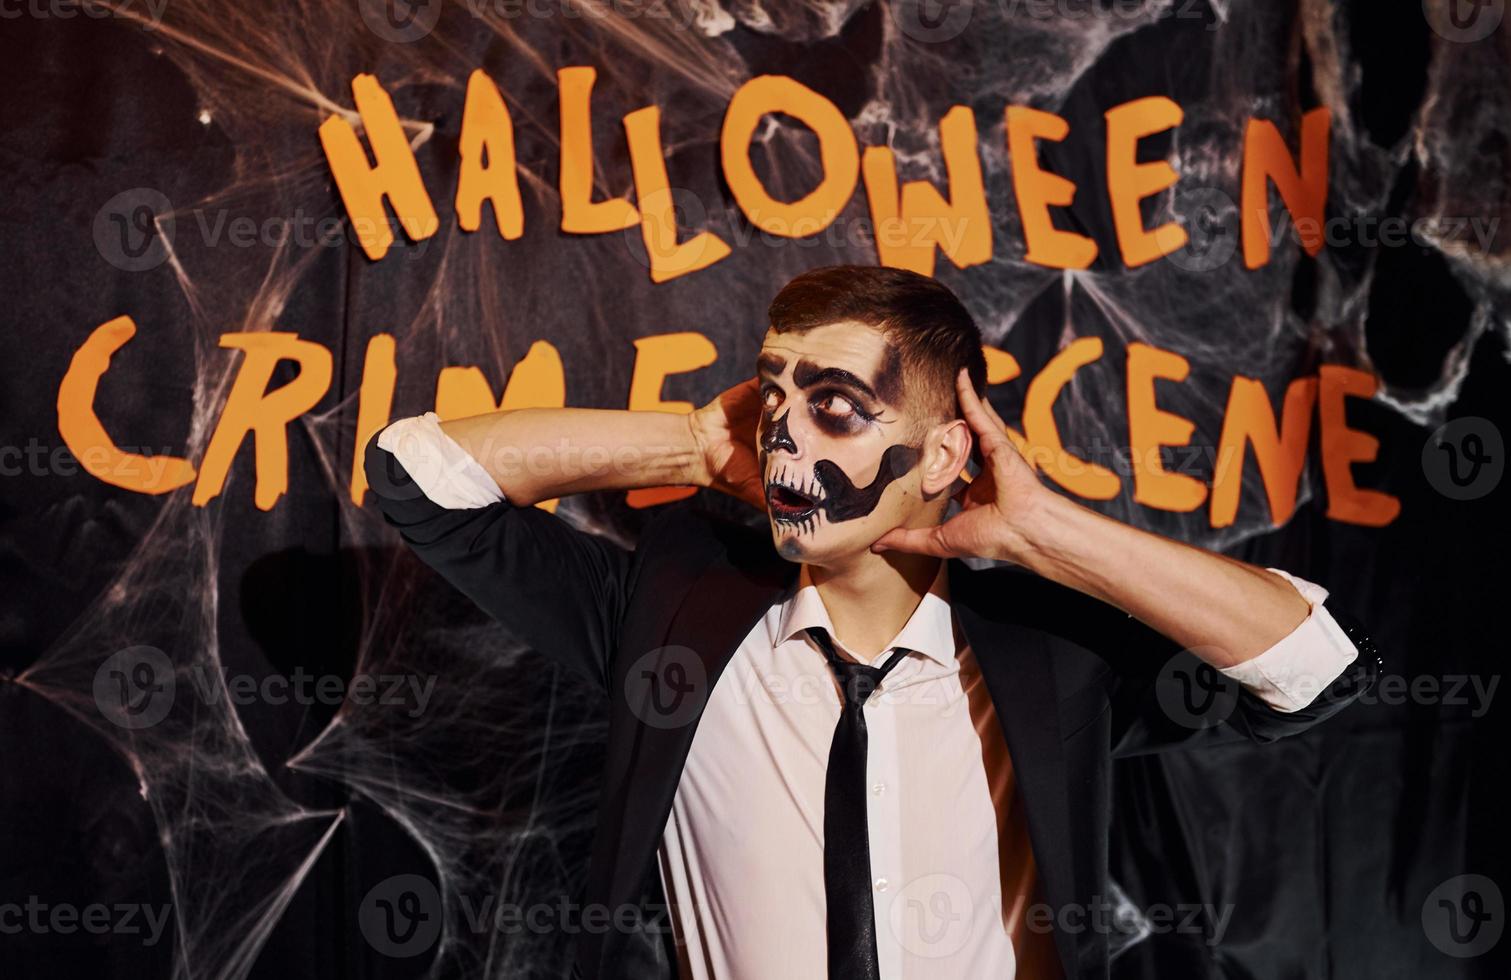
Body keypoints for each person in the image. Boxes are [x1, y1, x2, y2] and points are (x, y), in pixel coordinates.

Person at [363, 264, 1380, 980]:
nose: (787, 437)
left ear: (939, 458)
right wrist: (686, 442)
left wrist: (1043, 529)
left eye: (837, 406)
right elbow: (418, 477)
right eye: (775, 396)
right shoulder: (670, 617)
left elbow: (1310, 666)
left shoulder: (1049, 653)